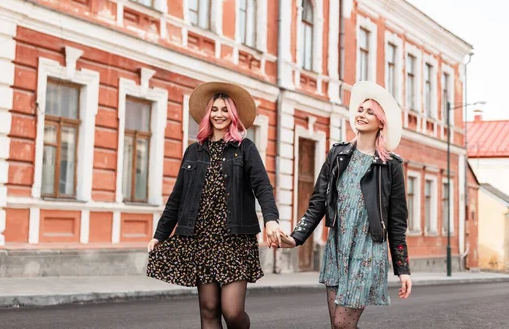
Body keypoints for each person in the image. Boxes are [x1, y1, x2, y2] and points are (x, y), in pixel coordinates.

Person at [146, 81, 280, 329]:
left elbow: (262, 186)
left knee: (232, 312)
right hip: (202, 238)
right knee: (208, 311)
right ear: (208, 114)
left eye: (225, 110)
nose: (219, 114)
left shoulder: (245, 149)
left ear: (233, 115)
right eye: (215, 110)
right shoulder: (194, 152)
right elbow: (177, 197)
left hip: (235, 238)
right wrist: (160, 234)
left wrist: (271, 219)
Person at [280, 81, 412, 329]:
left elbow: (396, 221)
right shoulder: (338, 154)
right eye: (360, 110)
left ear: (381, 122)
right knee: (339, 327)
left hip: (368, 250)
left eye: (370, 111)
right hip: (338, 247)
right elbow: (318, 202)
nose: (361, 114)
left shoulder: (391, 165)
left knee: (342, 324)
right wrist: (296, 237)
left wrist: (403, 268)